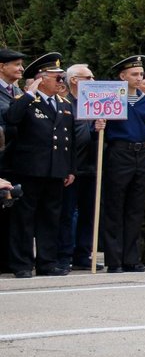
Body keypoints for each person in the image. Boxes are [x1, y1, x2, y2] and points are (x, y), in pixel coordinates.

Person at [4, 52, 81, 276]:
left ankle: (47, 263)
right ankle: (22, 264)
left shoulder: (64, 104)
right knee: (24, 219)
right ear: (41, 78)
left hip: (56, 169)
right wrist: (30, 93)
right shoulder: (26, 101)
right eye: (57, 78)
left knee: (50, 218)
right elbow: (11, 119)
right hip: (30, 169)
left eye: (62, 77)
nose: (61, 82)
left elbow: (70, 140)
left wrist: (70, 169)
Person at [96, 54, 145, 272]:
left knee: (136, 208)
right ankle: (114, 260)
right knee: (115, 207)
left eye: (141, 74)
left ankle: (131, 258)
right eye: (134, 74)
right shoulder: (111, 99)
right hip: (119, 153)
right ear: (122, 76)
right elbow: (98, 130)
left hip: (140, 153)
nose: (139, 78)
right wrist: (98, 126)